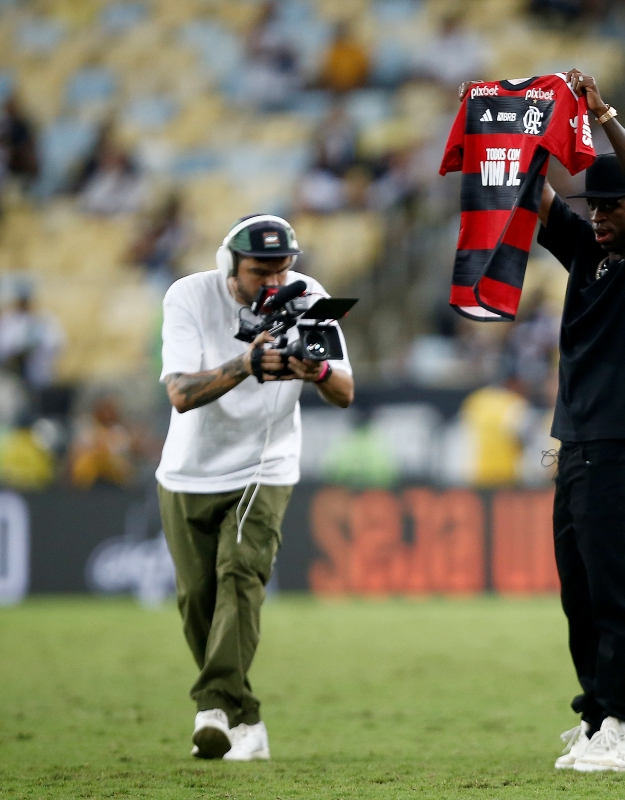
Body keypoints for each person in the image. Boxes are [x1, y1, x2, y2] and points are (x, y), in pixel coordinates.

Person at [532, 69, 625, 772]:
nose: (596, 215)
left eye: (609, 205)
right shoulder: (590, 254)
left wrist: (603, 117)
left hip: (621, 446)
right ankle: (598, 718)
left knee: (621, 594)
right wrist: (516, 136)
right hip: (577, 448)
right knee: (583, 595)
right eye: (590, 206)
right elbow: (537, 205)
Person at [156, 215, 354, 761]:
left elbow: (344, 389)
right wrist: (246, 363)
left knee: (240, 575)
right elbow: (179, 393)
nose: (272, 283)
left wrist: (311, 371)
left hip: (266, 464)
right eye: (258, 272)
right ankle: (246, 721)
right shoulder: (189, 297)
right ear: (229, 266)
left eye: (281, 269)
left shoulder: (308, 296)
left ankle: (213, 706)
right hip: (188, 469)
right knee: (197, 599)